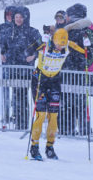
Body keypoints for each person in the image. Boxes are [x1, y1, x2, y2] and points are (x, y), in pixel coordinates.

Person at [28, 28, 87, 160]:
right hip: (39, 80)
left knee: (53, 117)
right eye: (58, 44)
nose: (60, 47)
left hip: (54, 81)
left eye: (62, 44)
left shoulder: (68, 45)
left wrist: (88, 45)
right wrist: (39, 41)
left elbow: (85, 52)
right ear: (53, 40)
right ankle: (34, 146)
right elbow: (29, 50)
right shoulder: (46, 43)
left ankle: (50, 147)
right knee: (41, 115)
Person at [59, 3, 93, 136]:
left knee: (68, 100)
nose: (66, 17)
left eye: (68, 15)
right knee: (80, 100)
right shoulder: (88, 29)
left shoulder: (73, 30)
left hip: (70, 69)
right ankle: (83, 128)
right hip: (81, 70)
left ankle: (68, 128)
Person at [0, 6, 42, 129]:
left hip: (27, 70)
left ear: (25, 18)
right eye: (16, 17)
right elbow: (3, 45)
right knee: (17, 96)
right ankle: (19, 123)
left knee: (25, 96)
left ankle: (25, 124)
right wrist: (2, 54)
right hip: (13, 69)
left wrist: (34, 55)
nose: (18, 19)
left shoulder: (32, 32)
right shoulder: (9, 31)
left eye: (20, 17)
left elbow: (42, 47)